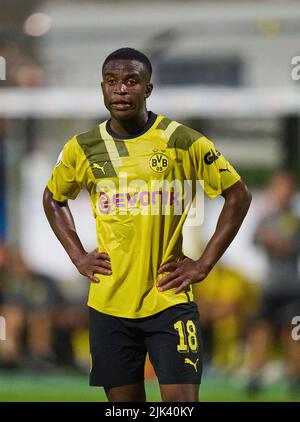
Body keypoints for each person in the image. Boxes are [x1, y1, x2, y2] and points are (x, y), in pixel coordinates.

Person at [43, 47, 251, 402]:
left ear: (148, 89)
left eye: (130, 81)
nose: (120, 89)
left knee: (182, 406)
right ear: (103, 88)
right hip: (109, 303)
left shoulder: (182, 141)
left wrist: (204, 264)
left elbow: (238, 196)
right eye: (111, 82)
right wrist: (78, 256)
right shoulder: (83, 147)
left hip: (168, 297)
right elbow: (53, 198)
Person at [246, 171, 300, 393]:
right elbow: (255, 239)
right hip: (269, 285)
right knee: (260, 331)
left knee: (293, 334)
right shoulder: (267, 217)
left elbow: (290, 248)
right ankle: (255, 375)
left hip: (290, 287)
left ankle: (295, 377)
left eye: (285, 188)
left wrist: (272, 240)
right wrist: (267, 239)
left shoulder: (294, 221)